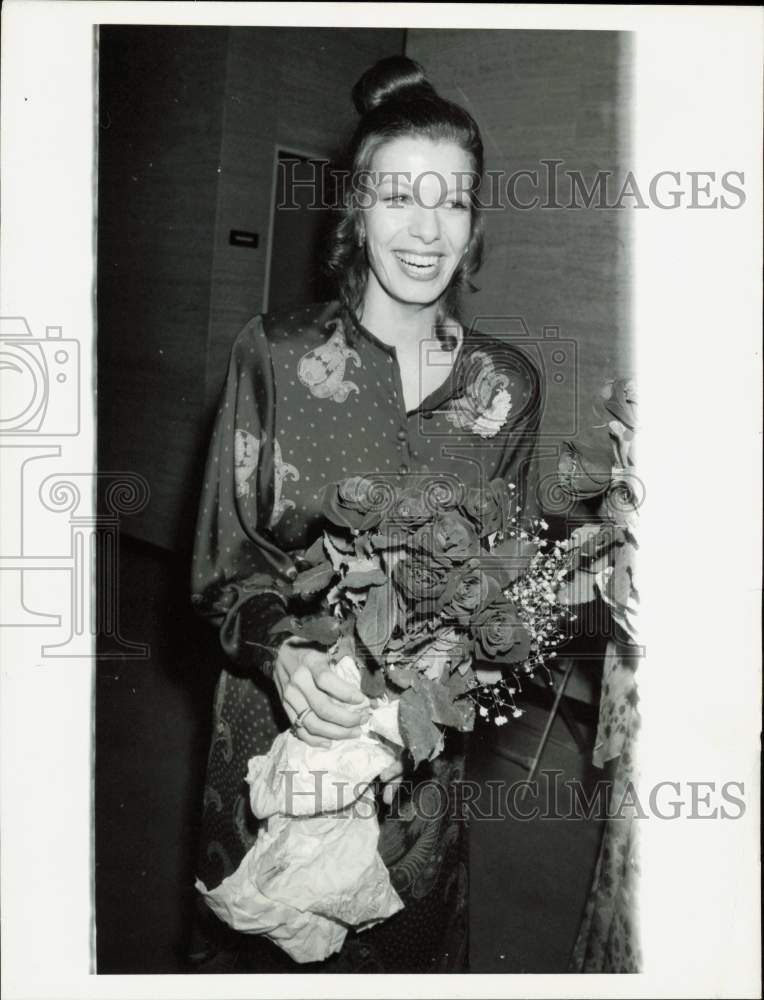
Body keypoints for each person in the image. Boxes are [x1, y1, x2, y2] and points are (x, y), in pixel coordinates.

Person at [188, 54, 544, 973]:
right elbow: (228, 564)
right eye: (400, 197)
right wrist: (286, 652)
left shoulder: (505, 385)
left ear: (475, 222)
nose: (427, 231)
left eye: (454, 201)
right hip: (283, 723)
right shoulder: (275, 356)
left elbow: (501, 575)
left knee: (399, 954)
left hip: (413, 748)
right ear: (356, 210)